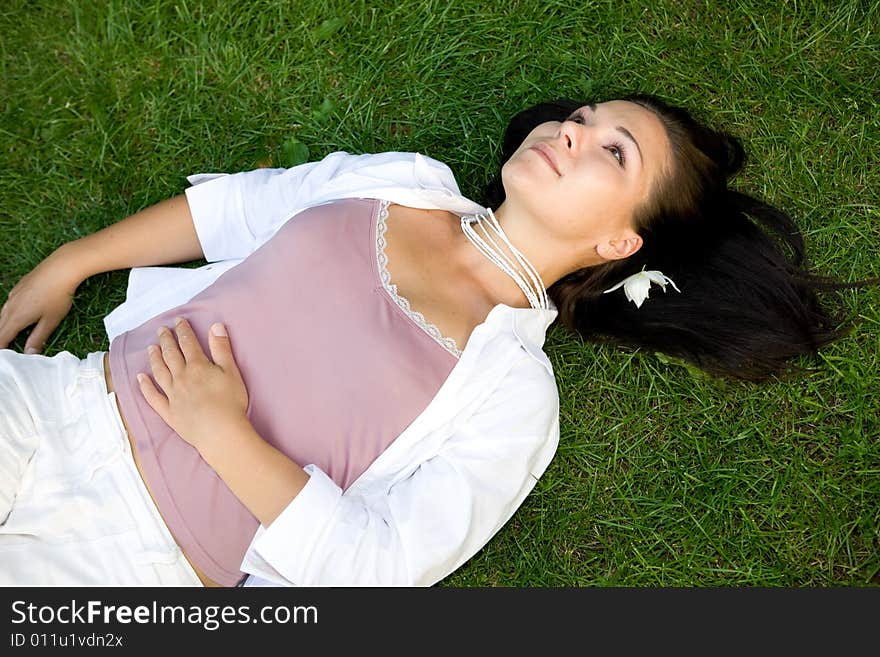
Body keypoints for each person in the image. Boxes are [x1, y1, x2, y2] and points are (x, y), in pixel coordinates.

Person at [0, 94, 866, 587]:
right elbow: (233, 209)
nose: (572, 130)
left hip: (132, 561)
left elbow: (375, 570)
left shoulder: (515, 399)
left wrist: (223, 432)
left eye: (614, 149)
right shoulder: (405, 182)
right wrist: (73, 262)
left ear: (620, 243)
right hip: (59, 402)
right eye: (586, 115)